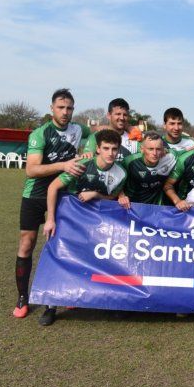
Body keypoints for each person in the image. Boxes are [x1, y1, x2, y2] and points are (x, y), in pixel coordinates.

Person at [13, 88, 92, 320]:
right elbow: (31, 170)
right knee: (27, 244)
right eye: (60, 107)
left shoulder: (79, 129)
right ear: (52, 109)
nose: (65, 112)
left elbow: (96, 135)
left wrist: (88, 152)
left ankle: (58, 298)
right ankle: (22, 298)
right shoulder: (40, 133)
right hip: (35, 196)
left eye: (69, 108)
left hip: (63, 196)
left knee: (60, 246)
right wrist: (64, 165)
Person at [41, 129, 127, 325]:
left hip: (99, 223)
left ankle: (108, 303)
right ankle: (50, 307)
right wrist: (50, 219)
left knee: (104, 260)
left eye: (114, 149)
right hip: (71, 219)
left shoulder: (121, 172)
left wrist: (95, 194)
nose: (110, 153)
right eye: (106, 148)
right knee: (60, 258)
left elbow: (112, 198)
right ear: (98, 148)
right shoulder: (82, 164)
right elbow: (53, 187)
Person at [118, 131, 177, 207]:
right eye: (151, 149)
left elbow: (185, 154)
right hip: (131, 206)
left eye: (158, 149)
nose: (155, 153)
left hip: (155, 208)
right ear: (142, 149)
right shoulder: (129, 161)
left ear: (163, 149)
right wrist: (121, 195)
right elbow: (117, 179)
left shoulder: (171, 157)